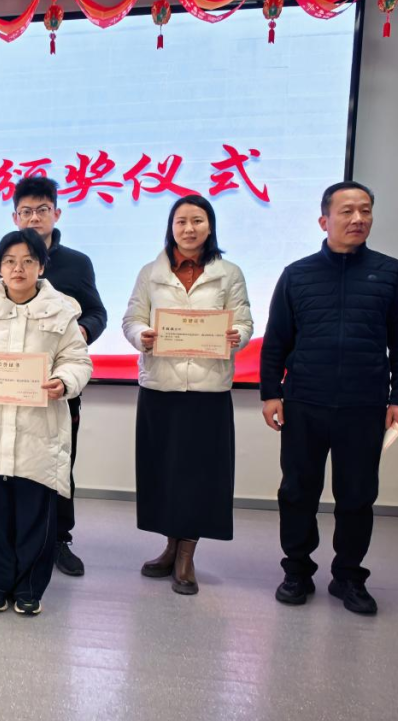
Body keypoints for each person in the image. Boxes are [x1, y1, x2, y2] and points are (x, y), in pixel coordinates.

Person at [261, 181, 398, 615]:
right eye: (347, 211)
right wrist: (271, 393)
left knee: (357, 495)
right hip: (304, 403)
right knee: (297, 491)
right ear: (324, 220)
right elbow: (276, 340)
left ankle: (348, 576)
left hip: (364, 405)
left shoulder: (391, 272)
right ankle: (297, 570)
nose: (358, 219)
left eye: (365, 210)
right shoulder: (297, 274)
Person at [0, 229, 92, 616]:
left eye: (28, 261)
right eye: (10, 261)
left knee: (35, 515)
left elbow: (78, 361)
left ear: (41, 267)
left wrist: (64, 381)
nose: (18, 268)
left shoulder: (62, 310)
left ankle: (29, 588)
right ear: (0, 267)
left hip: (38, 428)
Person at [122, 195, 253, 595]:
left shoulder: (229, 273)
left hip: (208, 390)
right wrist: (142, 336)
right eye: (181, 221)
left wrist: (236, 336)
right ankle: (169, 546)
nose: (189, 228)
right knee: (163, 471)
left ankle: (186, 556)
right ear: (171, 227)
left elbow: (244, 321)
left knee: (199, 475)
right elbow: (132, 319)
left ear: (210, 226)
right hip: (161, 386)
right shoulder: (151, 272)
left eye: (198, 220)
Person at [0, 176, 107, 577]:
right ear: (14, 216)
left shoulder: (77, 263)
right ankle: (14, 544)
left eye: (42, 210)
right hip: (5, 387)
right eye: (26, 211)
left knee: (56, 462)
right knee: (5, 467)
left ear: (57, 213)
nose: (34, 218)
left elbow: (97, 313)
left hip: (54, 386)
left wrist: (81, 331)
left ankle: (58, 539)